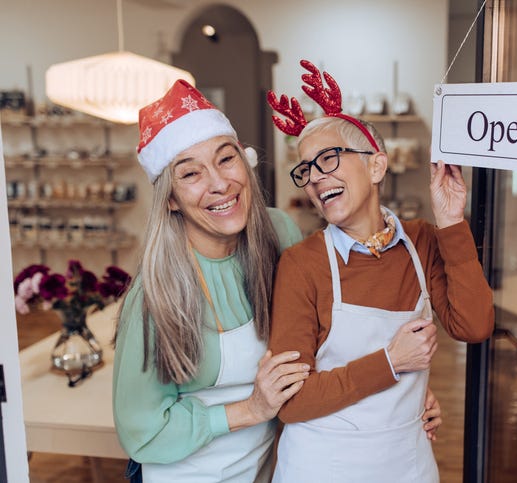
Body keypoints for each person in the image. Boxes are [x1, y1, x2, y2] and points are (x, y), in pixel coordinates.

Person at [112, 79, 442, 483]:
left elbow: (323, 342)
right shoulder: (154, 295)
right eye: (191, 173)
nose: (219, 183)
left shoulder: (279, 233)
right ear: (170, 199)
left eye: (226, 159)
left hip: (267, 469)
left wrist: (403, 394)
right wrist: (253, 408)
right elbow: (141, 430)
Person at [266, 60, 495, 483]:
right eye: (306, 170)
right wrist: (390, 362)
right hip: (321, 468)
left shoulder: (423, 242)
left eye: (328, 159)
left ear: (376, 166)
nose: (315, 179)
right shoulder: (302, 264)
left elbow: (474, 325)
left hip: (406, 465)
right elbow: (291, 401)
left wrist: (451, 223)